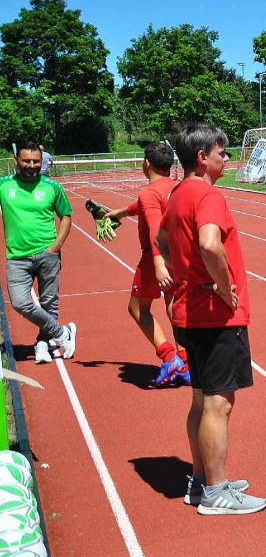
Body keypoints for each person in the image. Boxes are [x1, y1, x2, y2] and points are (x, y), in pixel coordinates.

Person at [155, 123, 263, 515]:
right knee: (220, 404)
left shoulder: (177, 194)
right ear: (202, 157)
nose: (227, 159)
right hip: (216, 316)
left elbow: (161, 241)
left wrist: (187, 275)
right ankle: (216, 491)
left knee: (201, 399)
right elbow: (209, 243)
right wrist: (220, 285)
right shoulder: (207, 194)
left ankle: (201, 480)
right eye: (222, 152)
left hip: (189, 312)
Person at [99, 142, 189, 385]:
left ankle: (169, 357)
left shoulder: (149, 193)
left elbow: (154, 226)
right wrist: (120, 212)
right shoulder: (177, 187)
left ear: (146, 163)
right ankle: (185, 361)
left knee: (138, 308)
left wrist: (158, 264)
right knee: (174, 305)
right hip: (180, 255)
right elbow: (145, 206)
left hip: (155, 256)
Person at [2, 141, 76, 364]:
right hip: (17, 257)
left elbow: (66, 216)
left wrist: (55, 248)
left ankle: (43, 343)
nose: (32, 165)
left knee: (49, 303)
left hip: (48, 255)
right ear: (16, 160)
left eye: (36, 161)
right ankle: (62, 333)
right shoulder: (4, 185)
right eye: (26, 161)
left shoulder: (52, 187)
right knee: (20, 303)